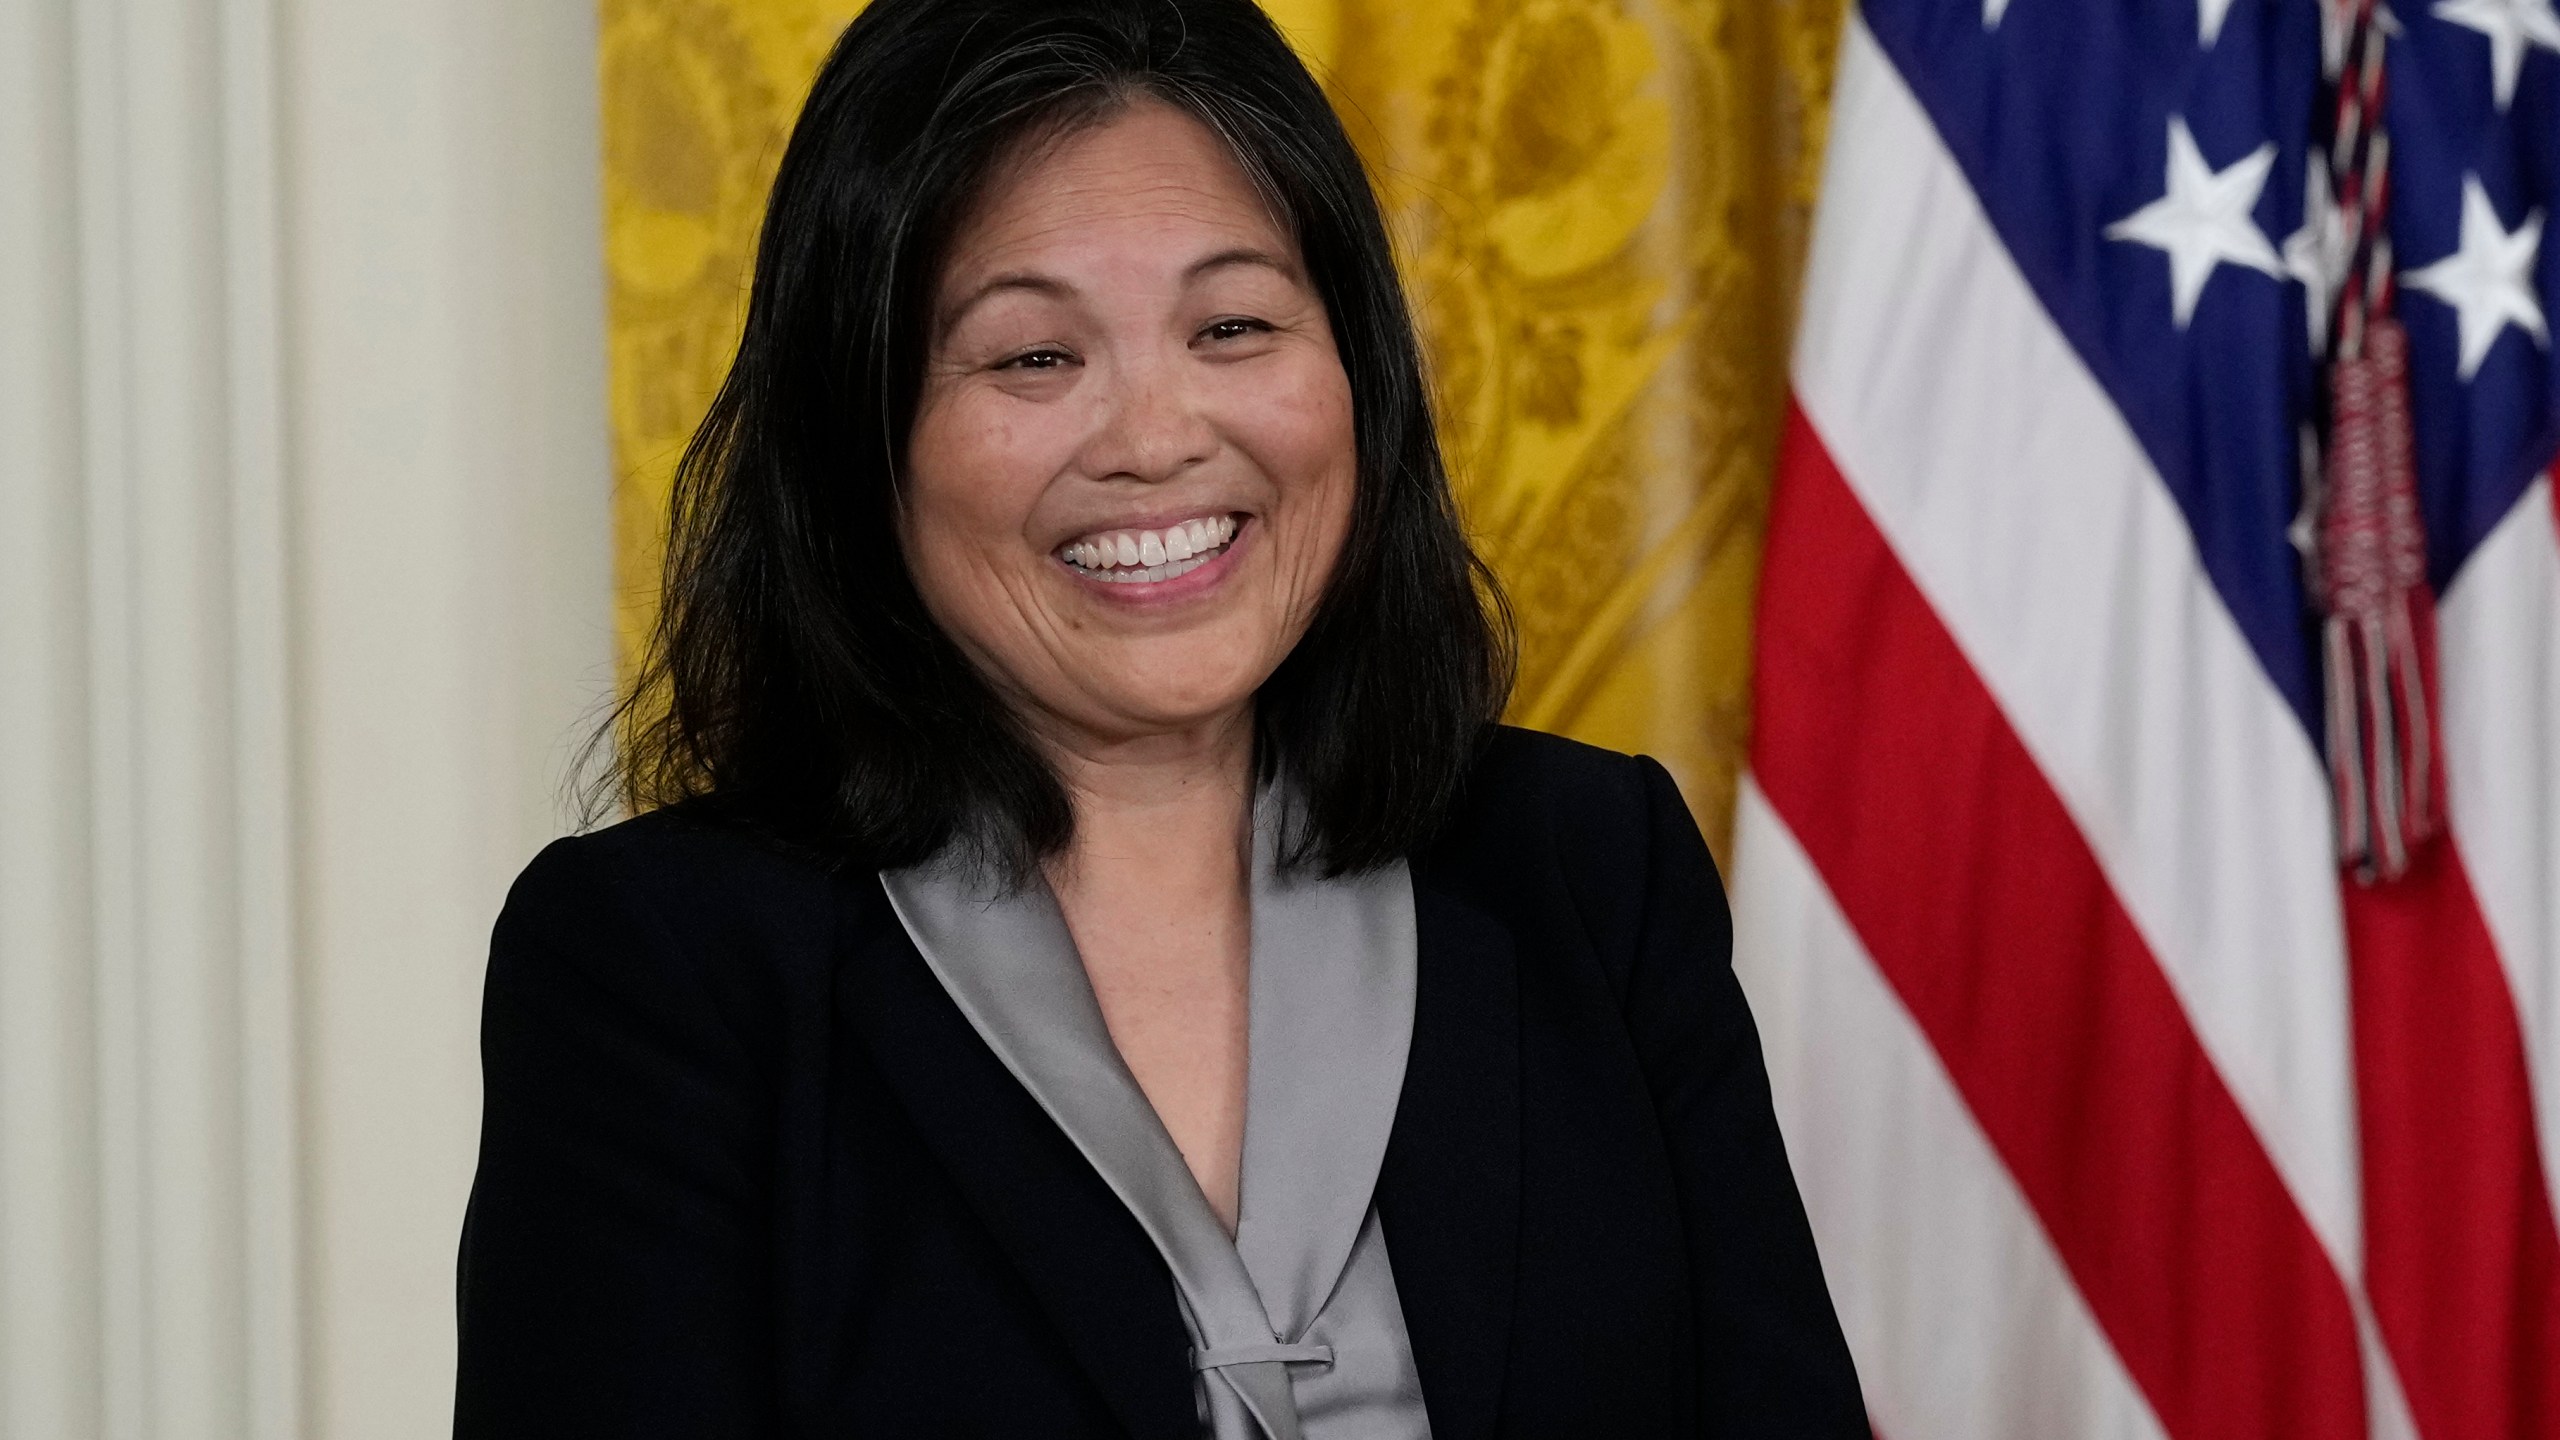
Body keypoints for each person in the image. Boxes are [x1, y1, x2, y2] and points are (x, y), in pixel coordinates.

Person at [452, 0, 1865, 1434]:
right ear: (861, 441)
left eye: (1234, 325)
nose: (1157, 438)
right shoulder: (657, 966)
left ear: (1358, 376)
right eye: (1032, 358)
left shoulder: (1588, 869)